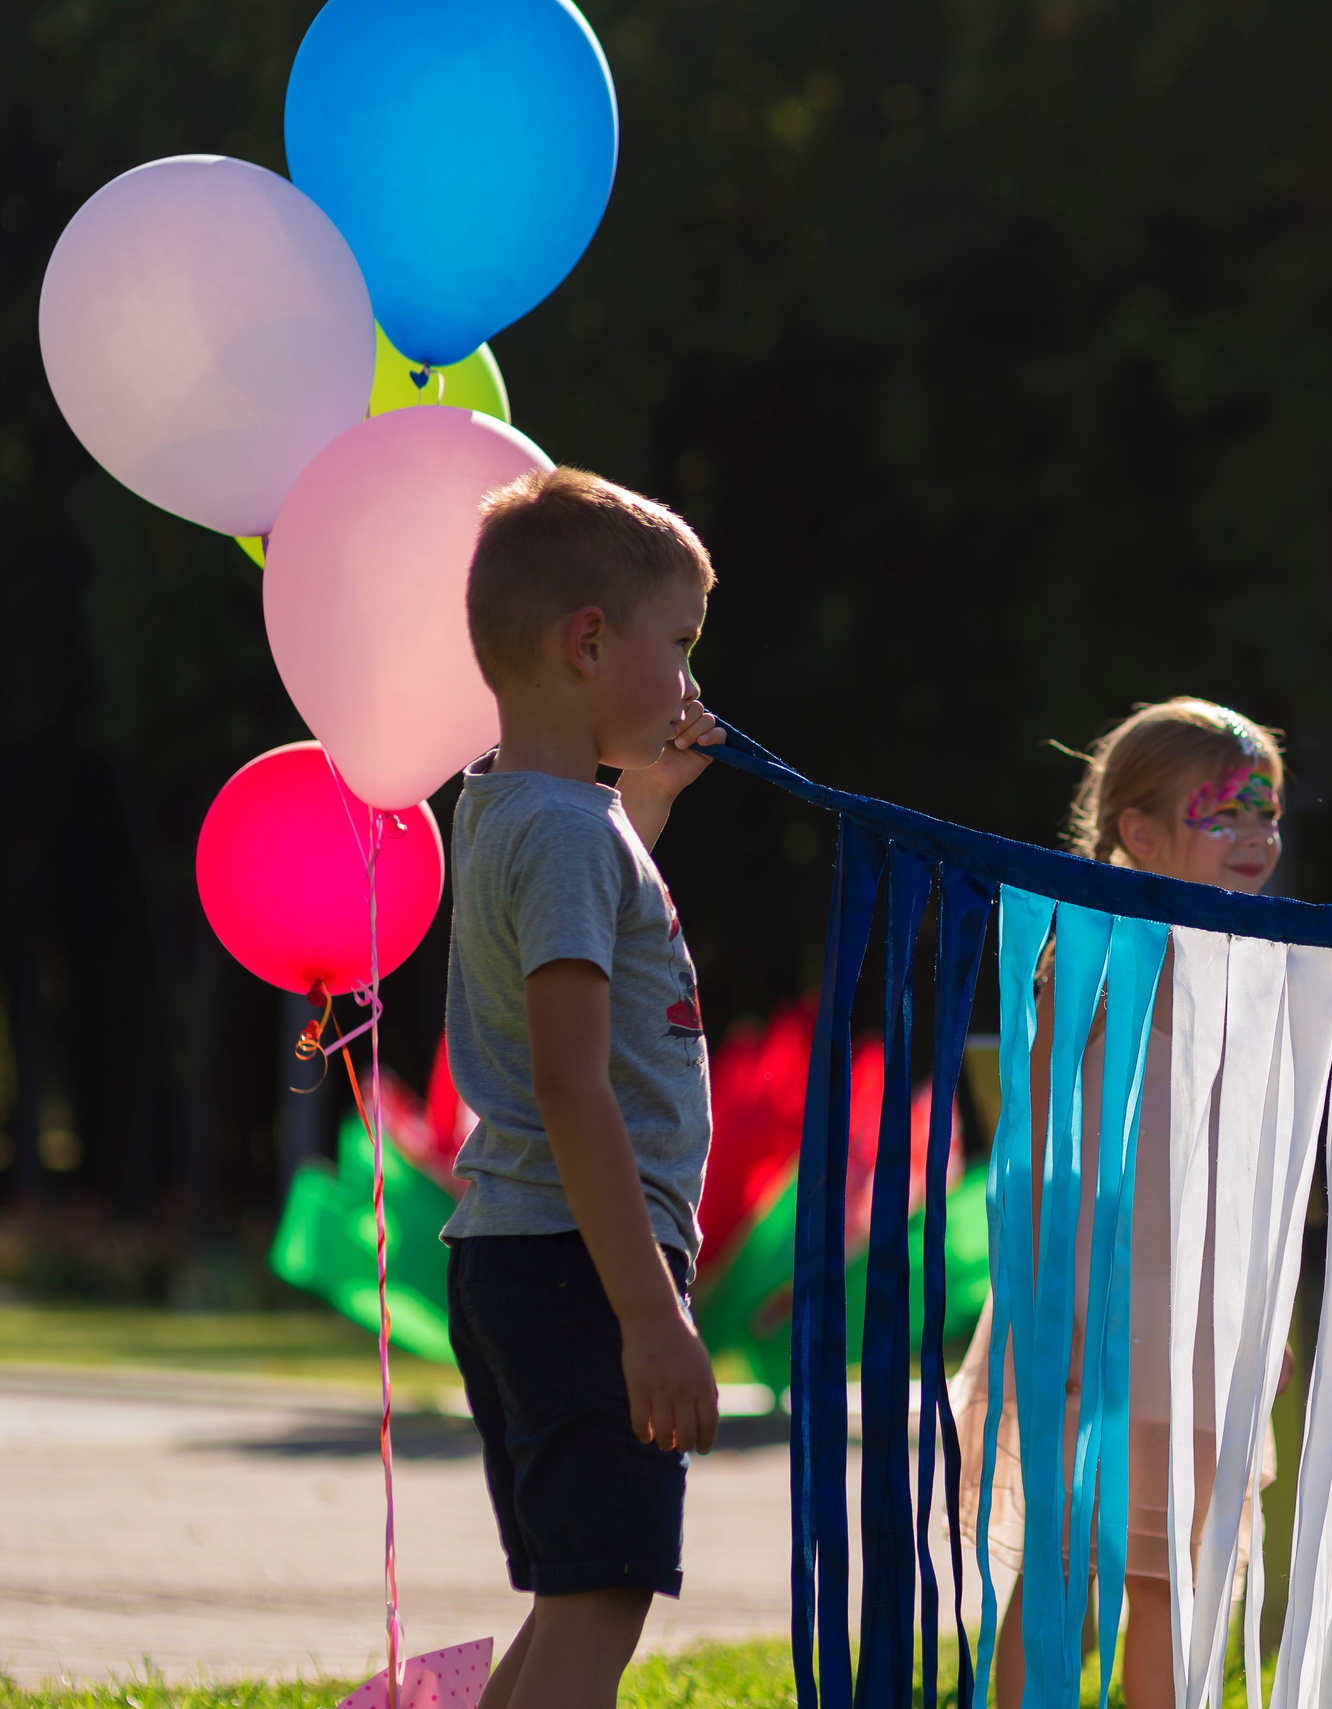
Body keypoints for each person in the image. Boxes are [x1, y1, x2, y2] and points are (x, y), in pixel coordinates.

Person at [439, 467, 728, 1709]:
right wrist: (649, 1314)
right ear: (590, 641)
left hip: (528, 1258)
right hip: (580, 1265)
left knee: (577, 1598)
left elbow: (580, 916)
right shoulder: (564, 831)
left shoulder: (523, 807)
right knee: (598, 1601)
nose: (691, 679)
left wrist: (645, 799)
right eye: (681, 643)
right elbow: (570, 1082)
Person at [952, 697, 1287, 1709]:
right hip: (1091, 1323)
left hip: (1202, 1336)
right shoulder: (1100, 963)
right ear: (1138, 833)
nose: (1256, 835)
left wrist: (1258, 1317)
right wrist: (1047, 1299)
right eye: (1223, 813)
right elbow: (1037, 1146)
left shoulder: (1264, 974)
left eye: (1267, 813)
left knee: (1172, 1575)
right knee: (1064, 1568)